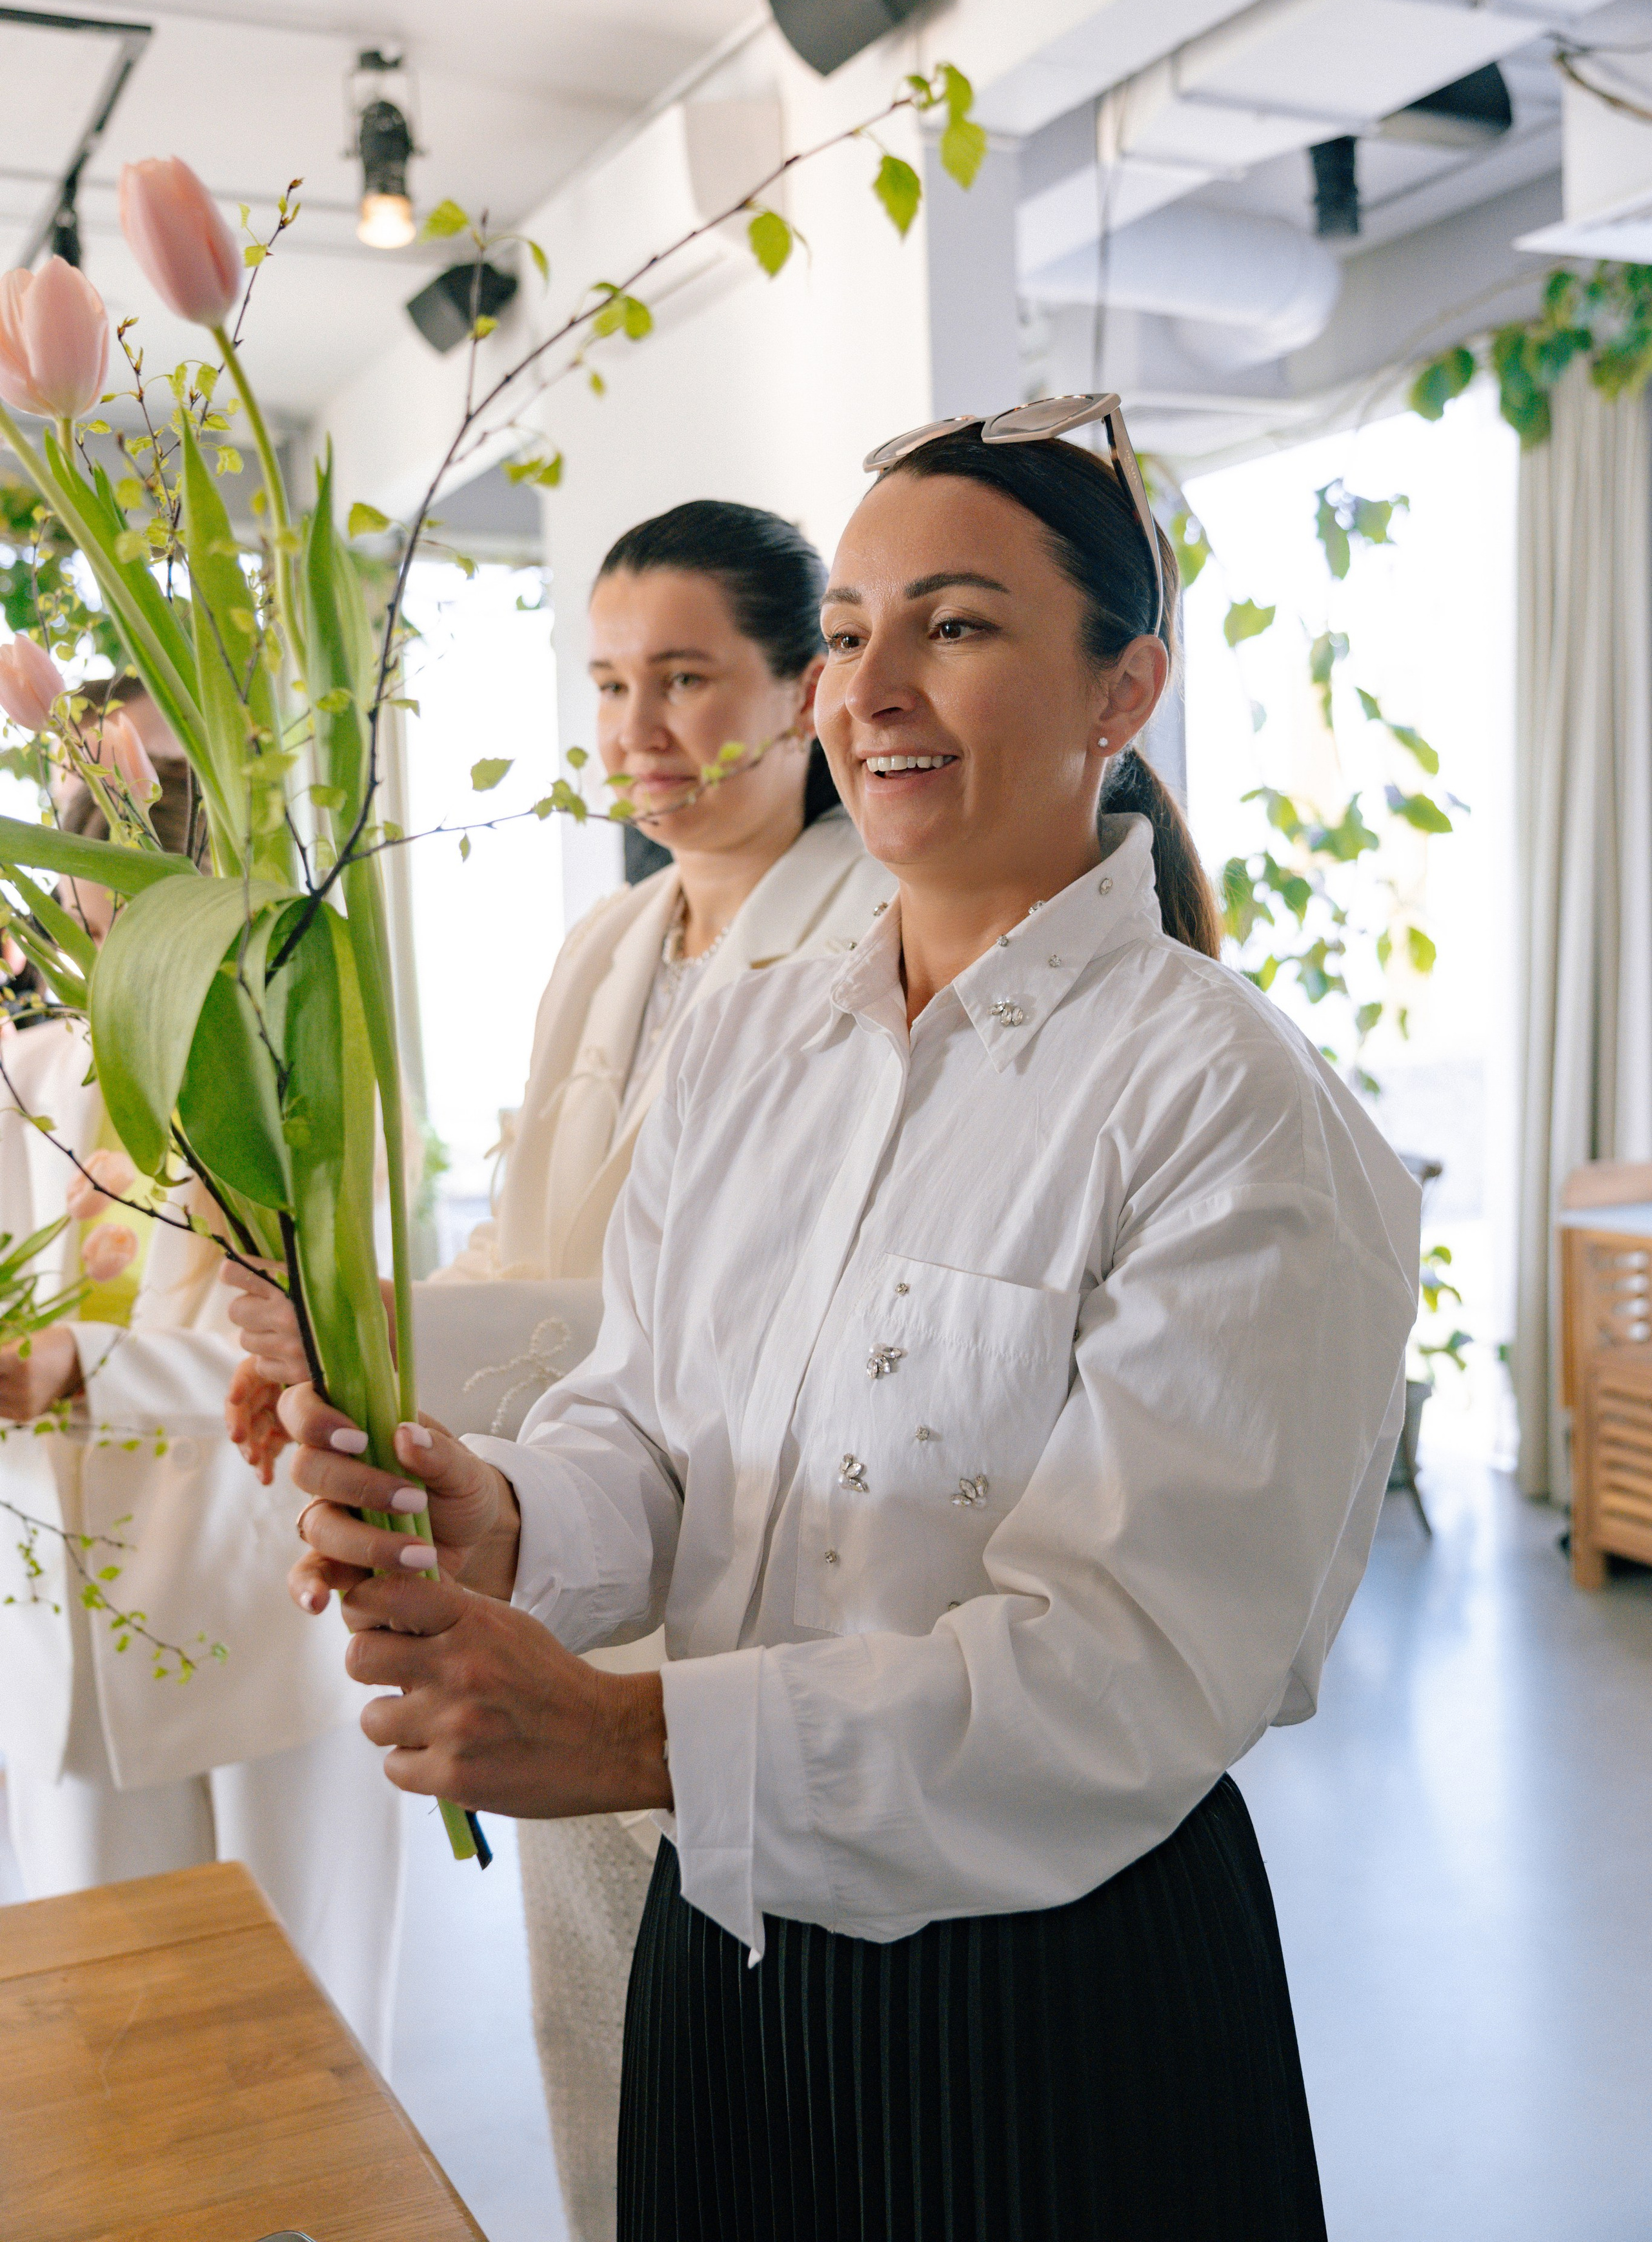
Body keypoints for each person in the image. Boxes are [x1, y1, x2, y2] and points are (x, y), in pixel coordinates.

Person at [271, 399, 1420, 2239]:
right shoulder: (754, 1034)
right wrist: (505, 1518)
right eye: (849, 630)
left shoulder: (1230, 1110)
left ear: (1122, 694)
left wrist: (633, 1743)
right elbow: (652, 1428)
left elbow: (1122, 1677)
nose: (869, 684)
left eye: (954, 627)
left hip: (1050, 1999)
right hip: (722, 1952)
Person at [223, 502, 892, 2239]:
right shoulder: (611, 941)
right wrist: (354, 1352)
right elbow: (529, 1248)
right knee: (599, 2057)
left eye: (687, 678)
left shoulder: (871, 948)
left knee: (770, 2094)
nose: (640, 732)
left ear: (808, 688)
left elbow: (727, 1328)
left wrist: (410, 1367)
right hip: (547, 1566)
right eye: (609, 684)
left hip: (744, 1602)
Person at [0, 683, 403, 2068]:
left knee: (293, 2045)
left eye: (159, 820)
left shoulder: (302, 1073)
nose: (125, 878)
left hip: (254, 1617)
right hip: (58, 1633)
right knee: (96, 2054)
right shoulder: (34, 1070)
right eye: (92, 836)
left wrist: (79, 1367)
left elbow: (322, 1348)